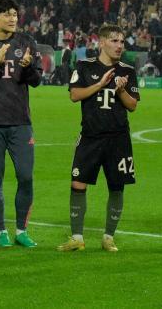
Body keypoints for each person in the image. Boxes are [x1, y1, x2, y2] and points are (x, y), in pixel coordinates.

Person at [58, 24, 139, 252]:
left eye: (122, 42)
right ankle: (77, 238)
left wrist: (121, 91)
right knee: (77, 183)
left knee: (117, 186)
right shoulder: (84, 66)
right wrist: (100, 84)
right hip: (91, 137)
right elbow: (75, 95)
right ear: (101, 42)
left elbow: (132, 106)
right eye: (114, 41)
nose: (119, 46)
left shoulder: (127, 71)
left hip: (118, 138)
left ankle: (108, 237)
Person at [0, 0, 42, 248]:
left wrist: (27, 67)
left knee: (25, 176)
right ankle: (0, 230)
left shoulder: (26, 42)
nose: (13, 18)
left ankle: (22, 230)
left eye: (15, 14)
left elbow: (35, 80)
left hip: (21, 121)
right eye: (7, 14)